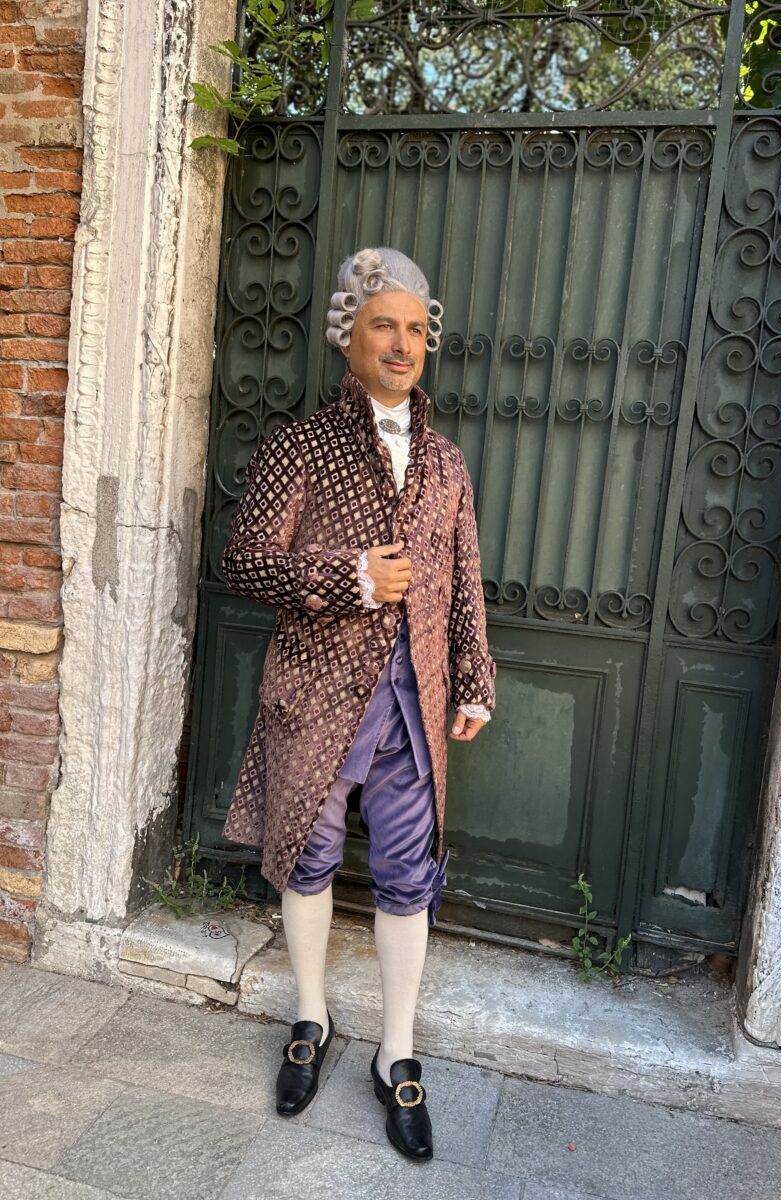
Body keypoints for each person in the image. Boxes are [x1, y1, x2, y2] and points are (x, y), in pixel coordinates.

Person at [219, 247, 497, 1161]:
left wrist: (474, 678)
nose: (403, 343)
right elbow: (244, 561)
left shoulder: (448, 462)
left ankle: (396, 1052)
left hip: (415, 705)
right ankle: (311, 1017)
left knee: (409, 874)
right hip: (315, 696)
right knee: (308, 859)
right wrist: (351, 578)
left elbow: (463, 582)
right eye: (385, 324)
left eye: (416, 328)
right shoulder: (299, 445)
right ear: (350, 335)